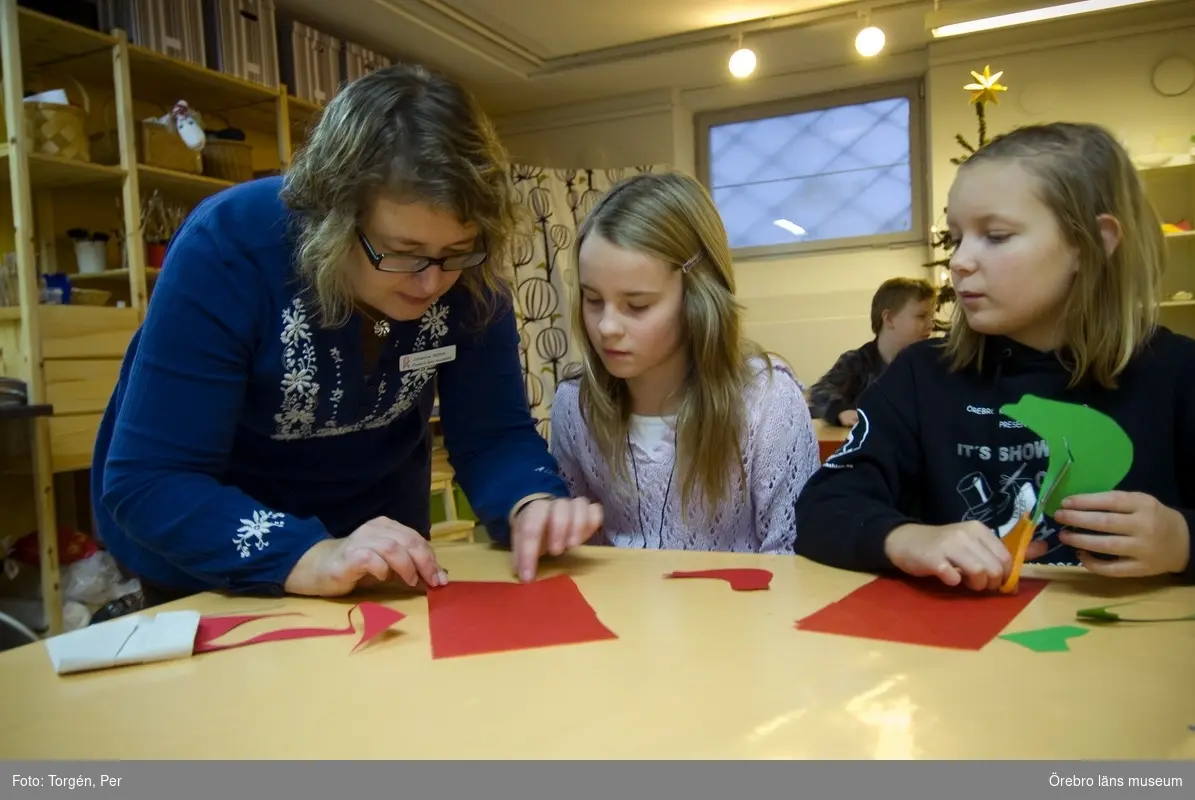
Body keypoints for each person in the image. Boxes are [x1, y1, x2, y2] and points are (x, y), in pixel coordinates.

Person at [91, 63, 603, 603]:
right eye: (402, 253)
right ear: (331, 216)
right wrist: (305, 554)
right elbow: (152, 480)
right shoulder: (228, 249)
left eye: (454, 253)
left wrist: (531, 501)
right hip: (216, 553)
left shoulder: (468, 272)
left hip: (378, 549)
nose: (432, 281)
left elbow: (493, 432)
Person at [794, 121, 1195, 590]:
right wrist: (906, 538)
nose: (960, 261)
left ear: (1092, 243)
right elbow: (824, 508)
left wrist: (1183, 539)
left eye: (997, 236)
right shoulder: (923, 375)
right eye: (955, 238)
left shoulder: (1178, 373)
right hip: (968, 649)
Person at [549, 172, 820, 554]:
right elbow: (580, 559)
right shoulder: (574, 406)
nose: (607, 327)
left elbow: (794, 559)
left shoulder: (767, 403)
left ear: (699, 299)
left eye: (637, 305)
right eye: (593, 300)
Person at [807, 277, 935, 428]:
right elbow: (818, 392)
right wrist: (840, 411)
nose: (931, 325)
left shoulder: (932, 365)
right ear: (888, 319)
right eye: (921, 316)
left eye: (932, 317)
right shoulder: (857, 362)